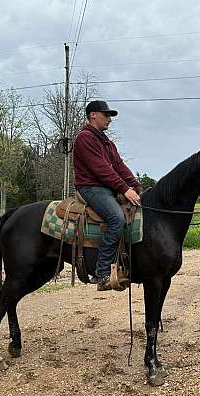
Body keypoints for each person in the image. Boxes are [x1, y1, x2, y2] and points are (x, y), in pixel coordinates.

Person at [73, 100, 142, 291]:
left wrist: (136, 185)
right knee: (116, 218)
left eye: (110, 116)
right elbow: (102, 170)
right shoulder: (84, 138)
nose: (109, 119)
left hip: (107, 188)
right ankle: (102, 273)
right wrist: (124, 189)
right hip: (91, 188)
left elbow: (119, 167)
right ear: (93, 115)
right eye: (106, 115)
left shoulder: (106, 142)